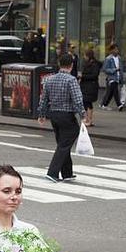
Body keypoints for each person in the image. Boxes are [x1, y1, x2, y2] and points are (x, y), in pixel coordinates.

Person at [37, 53, 84, 183]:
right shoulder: (71, 80)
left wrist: (41, 114)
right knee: (65, 143)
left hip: (54, 115)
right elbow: (77, 99)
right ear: (71, 65)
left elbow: (44, 99)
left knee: (63, 142)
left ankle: (67, 172)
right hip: (67, 115)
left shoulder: (49, 79)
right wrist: (83, 115)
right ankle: (52, 172)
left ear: (59, 64)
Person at [79, 49, 101, 127]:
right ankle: (87, 119)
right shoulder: (88, 63)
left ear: (88, 56)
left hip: (90, 86)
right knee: (85, 102)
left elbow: (94, 75)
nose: (84, 57)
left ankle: (89, 120)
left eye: (85, 55)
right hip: (86, 86)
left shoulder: (94, 64)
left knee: (88, 103)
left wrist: (83, 76)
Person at [100, 44, 125, 110]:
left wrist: (122, 77)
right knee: (115, 90)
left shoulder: (119, 58)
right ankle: (119, 105)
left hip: (118, 77)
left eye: (117, 49)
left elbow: (121, 68)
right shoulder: (108, 59)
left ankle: (104, 104)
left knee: (111, 92)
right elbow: (105, 69)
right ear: (112, 50)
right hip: (111, 78)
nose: (117, 51)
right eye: (115, 49)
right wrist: (114, 70)